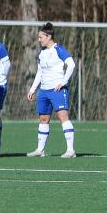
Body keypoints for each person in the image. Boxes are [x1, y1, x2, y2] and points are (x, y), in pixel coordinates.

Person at [27, 23, 76, 158]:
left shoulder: (58, 49)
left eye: (41, 37)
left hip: (57, 90)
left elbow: (71, 64)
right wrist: (33, 89)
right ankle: (40, 150)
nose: (39, 39)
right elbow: (40, 72)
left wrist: (63, 82)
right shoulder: (41, 53)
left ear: (48, 37)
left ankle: (71, 151)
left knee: (63, 117)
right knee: (43, 119)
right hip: (44, 91)